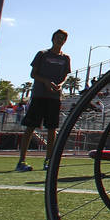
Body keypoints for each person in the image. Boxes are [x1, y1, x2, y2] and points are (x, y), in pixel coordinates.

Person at [17, 29, 71, 172]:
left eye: (63, 38)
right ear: (52, 38)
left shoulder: (65, 58)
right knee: (30, 127)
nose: (60, 40)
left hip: (54, 97)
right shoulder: (43, 54)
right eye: (58, 37)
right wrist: (46, 81)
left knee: (52, 129)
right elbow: (33, 74)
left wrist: (60, 85)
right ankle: (21, 160)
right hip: (39, 95)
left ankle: (49, 160)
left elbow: (65, 75)